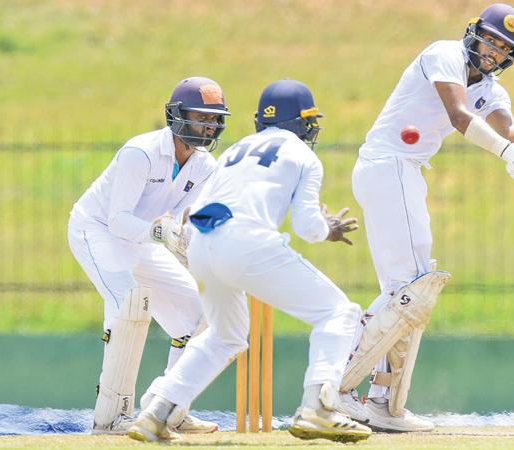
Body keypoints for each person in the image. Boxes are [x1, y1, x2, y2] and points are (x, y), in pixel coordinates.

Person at [337, 4, 514, 432]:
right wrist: (512, 156)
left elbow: (508, 127)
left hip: (404, 171)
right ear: (474, 34)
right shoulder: (443, 54)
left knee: (409, 292)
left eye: (504, 49)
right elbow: (459, 115)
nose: (493, 52)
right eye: (490, 40)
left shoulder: (492, 88)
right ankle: (334, 387)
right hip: (387, 163)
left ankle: (381, 402)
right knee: (409, 290)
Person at [126, 79, 372, 444]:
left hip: (201, 243)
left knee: (225, 337)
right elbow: (308, 228)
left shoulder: (235, 149)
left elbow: (193, 210)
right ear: (303, 122)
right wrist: (329, 228)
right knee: (339, 313)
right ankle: (317, 407)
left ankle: (156, 414)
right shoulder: (304, 155)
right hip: (246, 242)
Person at [67, 76, 230, 435]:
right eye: (202, 117)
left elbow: (186, 222)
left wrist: (191, 246)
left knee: (201, 316)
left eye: (215, 119)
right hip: (97, 231)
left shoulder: (206, 166)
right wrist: (161, 232)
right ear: (177, 115)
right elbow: (118, 220)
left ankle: (168, 408)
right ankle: (112, 415)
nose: (210, 126)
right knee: (129, 305)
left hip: (144, 241)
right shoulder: (139, 153)